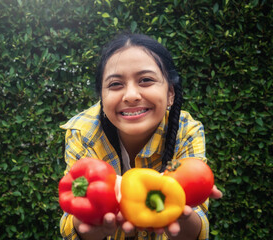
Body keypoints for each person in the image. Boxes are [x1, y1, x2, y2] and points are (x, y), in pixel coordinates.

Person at [59, 33, 222, 240]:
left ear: (170, 93)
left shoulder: (187, 131)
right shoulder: (82, 132)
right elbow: (71, 225)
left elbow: (197, 225)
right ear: (102, 96)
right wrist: (91, 226)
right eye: (116, 84)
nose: (131, 95)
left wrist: (181, 214)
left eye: (146, 80)